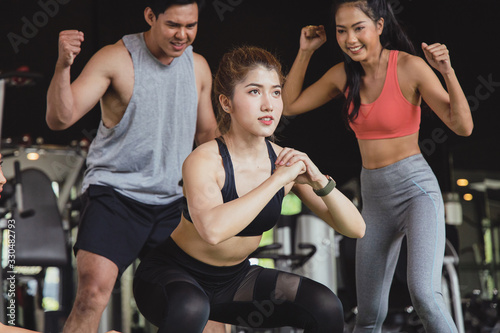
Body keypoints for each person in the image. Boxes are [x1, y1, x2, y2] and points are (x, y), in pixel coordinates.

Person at [132, 46, 366, 333]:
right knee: (191, 308)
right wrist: (278, 180)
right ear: (226, 103)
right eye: (255, 92)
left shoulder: (284, 161)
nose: (269, 105)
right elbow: (212, 230)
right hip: (171, 277)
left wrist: (319, 181)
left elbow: (355, 228)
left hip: (235, 282)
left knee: (325, 306)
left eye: (276, 92)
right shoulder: (205, 161)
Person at [282, 0, 473, 332]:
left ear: (380, 26)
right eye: (342, 30)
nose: (350, 38)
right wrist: (305, 51)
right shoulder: (343, 75)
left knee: (425, 294)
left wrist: (447, 71)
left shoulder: (410, 67)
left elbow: (462, 126)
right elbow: (289, 106)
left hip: (416, 189)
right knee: (369, 313)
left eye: (359, 28)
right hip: (374, 197)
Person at [45, 0, 223, 332]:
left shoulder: (198, 66)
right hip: (116, 196)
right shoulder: (115, 59)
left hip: (171, 202)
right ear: (150, 16)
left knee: (204, 301)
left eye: (191, 25)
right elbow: (60, 119)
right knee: (92, 295)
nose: (182, 35)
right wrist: (63, 66)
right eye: (173, 25)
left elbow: (206, 132)